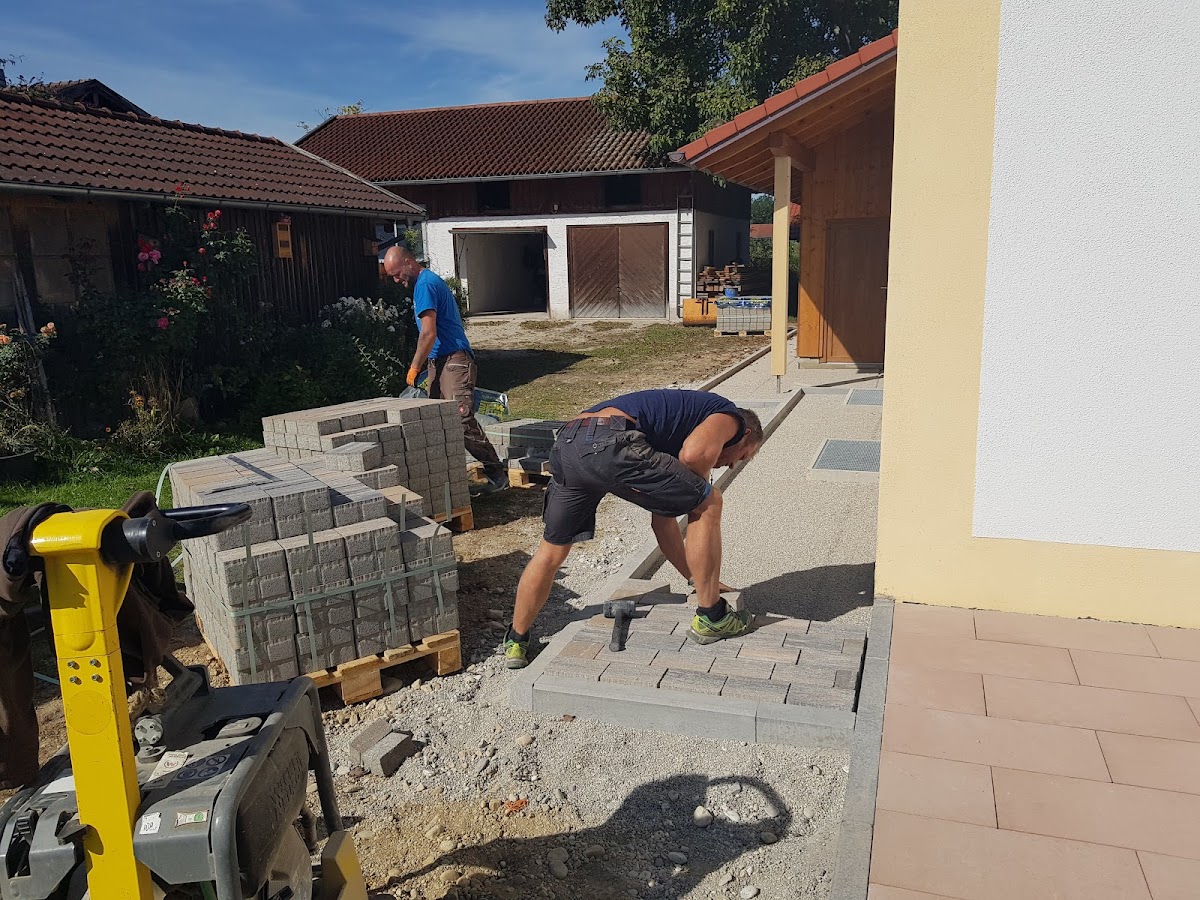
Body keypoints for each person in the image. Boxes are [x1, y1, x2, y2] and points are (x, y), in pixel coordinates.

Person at [503, 389, 765, 668]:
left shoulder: (670, 435)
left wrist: (695, 579)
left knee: (551, 553)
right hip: (609, 439)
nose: (733, 464)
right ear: (745, 435)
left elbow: (662, 522)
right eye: (743, 455)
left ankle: (516, 639)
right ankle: (713, 616)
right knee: (710, 503)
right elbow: (693, 455)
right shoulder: (731, 417)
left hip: (569, 443)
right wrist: (699, 493)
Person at [383, 245, 507, 496]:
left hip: (454, 361)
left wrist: (414, 366)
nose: (396, 280)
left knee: (460, 420)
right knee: (437, 421)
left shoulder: (425, 285)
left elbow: (428, 333)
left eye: (397, 274)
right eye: (392, 276)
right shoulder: (422, 284)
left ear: (408, 263)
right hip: (439, 362)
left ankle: (496, 473)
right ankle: (448, 481)